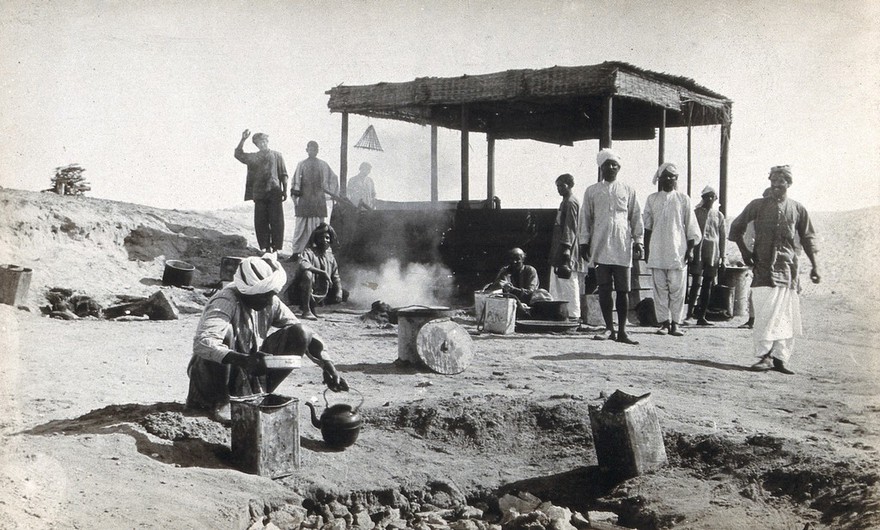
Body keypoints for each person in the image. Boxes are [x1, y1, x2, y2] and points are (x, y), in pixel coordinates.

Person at [186, 255, 347, 423]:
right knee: (225, 332)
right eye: (265, 296)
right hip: (213, 381)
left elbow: (304, 333)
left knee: (301, 333)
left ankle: (258, 396)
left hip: (250, 373)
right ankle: (221, 403)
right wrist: (244, 360)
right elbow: (203, 343)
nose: (270, 301)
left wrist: (327, 364)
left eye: (271, 295)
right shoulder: (225, 301)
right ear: (247, 292)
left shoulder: (269, 300)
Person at [729, 165, 819, 375]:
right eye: (773, 182)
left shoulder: (797, 209)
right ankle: (764, 356)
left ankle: (780, 358)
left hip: (787, 270)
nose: (777, 186)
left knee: (786, 315)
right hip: (763, 269)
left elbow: (808, 238)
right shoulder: (757, 205)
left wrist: (815, 266)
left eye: (781, 182)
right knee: (764, 313)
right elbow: (736, 228)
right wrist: (744, 251)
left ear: (789, 183)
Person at [579, 149, 644, 344]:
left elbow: (636, 216)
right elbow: (586, 219)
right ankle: (609, 329)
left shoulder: (628, 190)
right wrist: (584, 242)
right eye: (607, 164)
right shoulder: (592, 191)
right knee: (605, 288)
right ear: (601, 167)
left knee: (623, 290)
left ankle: (623, 331)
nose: (611, 168)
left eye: (614, 164)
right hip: (600, 245)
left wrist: (638, 241)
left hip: (622, 245)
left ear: (619, 167)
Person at [644, 163, 701, 337]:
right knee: (660, 288)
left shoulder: (683, 199)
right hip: (657, 250)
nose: (669, 179)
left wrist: (690, 250)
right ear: (659, 179)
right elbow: (647, 227)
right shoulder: (652, 199)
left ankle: (676, 323)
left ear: (676, 179)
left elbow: (691, 226)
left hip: (678, 250)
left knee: (677, 289)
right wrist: (647, 250)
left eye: (672, 176)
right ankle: (663, 323)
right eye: (665, 176)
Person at [234, 130, 288, 253]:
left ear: (267, 141)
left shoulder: (277, 155)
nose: (262, 144)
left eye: (264, 141)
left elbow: (283, 174)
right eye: (259, 143)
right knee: (261, 222)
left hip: (275, 192)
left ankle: (276, 248)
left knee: (277, 221)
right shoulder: (254, 157)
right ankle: (265, 248)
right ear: (256, 145)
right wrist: (243, 139)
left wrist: (284, 190)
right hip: (259, 194)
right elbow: (238, 154)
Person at [686, 185, 727, 326]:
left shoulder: (719, 215)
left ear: (715, 198)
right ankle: (689, 314)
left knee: (707, 284)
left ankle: (702, 316)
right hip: (698, 251)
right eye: (706, 196)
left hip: (713, 253)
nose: (709, 199)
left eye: (712, 196)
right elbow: (690, 232)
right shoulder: (696, 213)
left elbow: (722, 237)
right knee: (696, 283)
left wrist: (723, 257)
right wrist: (690, 250)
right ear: (703, 198)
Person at [291, 141, 340, 257]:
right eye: (310, 149)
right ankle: (296, 252)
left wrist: (330, 192)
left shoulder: (323, 164)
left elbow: (334, 178)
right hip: (304, 199)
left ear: (317, 151)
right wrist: (296, 195)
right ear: (306, 150)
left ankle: (316, 252)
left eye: (315, 149)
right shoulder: (301, 164)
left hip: (318, 200)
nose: (312, 151)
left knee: (317, 227)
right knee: (300, 227)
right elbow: (295, 181)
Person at [286, 223, 345, 320]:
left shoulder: (330, 258)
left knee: (344, 294)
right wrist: (322, 272)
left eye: (327, 238)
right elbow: (303, 264)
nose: (325, 240)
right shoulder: (308, 252)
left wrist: (339, 291)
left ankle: (314, 308)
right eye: (321, 237)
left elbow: (336, 276)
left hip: (322, 290)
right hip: (300, 290)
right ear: (316, 239)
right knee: (307, 274)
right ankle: (306, 310)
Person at [550, 173, 583, 321]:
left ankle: (574, 315)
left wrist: (566, 250)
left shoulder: (571, 202)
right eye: (557, 186)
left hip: (566, 249)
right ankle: (559, 313)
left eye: (561, 186)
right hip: (558, 248)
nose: (559, 189)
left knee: (569, 281)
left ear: (569, 185)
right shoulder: (564, 202)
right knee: (557, 283)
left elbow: (570, 228)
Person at [486, 247, 540, 318]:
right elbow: (491, 289)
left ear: (523, 259)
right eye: (512, 259)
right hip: (509, 305)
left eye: (517, 259)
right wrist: (498, 285)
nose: (514, 262)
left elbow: (530, 292)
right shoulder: (505, 271)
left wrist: (512, 289)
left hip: (528, 305)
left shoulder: (530, 271)